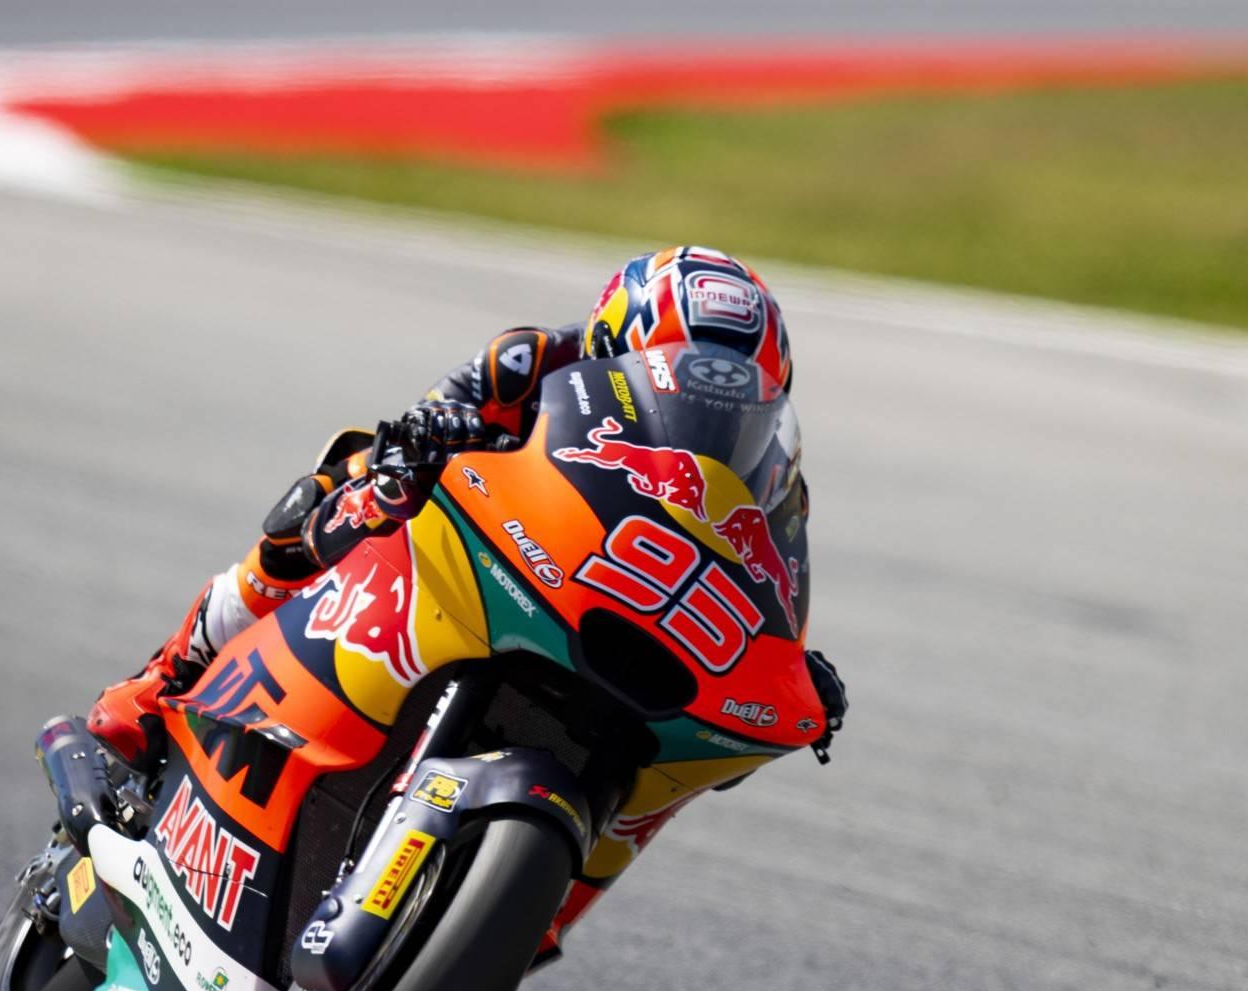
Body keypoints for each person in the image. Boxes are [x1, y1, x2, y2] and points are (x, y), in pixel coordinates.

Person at [86, 245, 846, 768]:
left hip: (614, 604)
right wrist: (426, 440)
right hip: (493, 548)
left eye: (738, 396)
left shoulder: (777, 478)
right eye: (681, 371)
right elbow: (421, 420)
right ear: (615, 344)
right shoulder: (532, 360)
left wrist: (792, 667)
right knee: (347, 480)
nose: (712, 411)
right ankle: (168, 675)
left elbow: (773, 579)